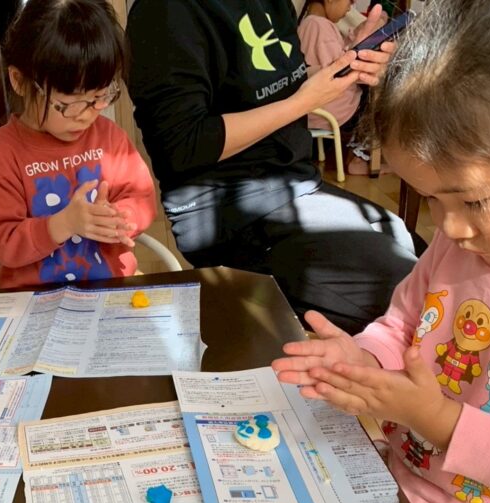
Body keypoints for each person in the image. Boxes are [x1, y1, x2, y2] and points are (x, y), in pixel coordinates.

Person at [273, 0, 490, 503]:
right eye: (432, 200)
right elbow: (403, 324)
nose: (447, 228)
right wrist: (366, 360)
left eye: (471, 200)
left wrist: (441, 421)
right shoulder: (458, 245)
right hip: (398, 483)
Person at [126, 0, 417, 334]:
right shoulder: (164, 12)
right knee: (415, 300)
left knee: (427, 265)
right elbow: (183, 145)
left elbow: (273, 91)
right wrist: (304, 102)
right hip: (230, 214)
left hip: (298, 185)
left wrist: (346, 64)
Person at [0, 0, 156, 289]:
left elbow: (141, 197)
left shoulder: (109, 138)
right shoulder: (0, 157)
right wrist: (62, 225)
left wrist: (120, 217)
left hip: (109, 292)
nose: (86, 115)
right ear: (19, 80)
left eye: (98, 97)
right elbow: (3, 241)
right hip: (33, 300)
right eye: (68, 104)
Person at [298, 0, 382, 175]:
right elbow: (340, 70)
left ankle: (360, 155)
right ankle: (360, 158)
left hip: (315, 109)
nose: (350, 6)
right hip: (329, 109)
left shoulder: (309, 24)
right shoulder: (319, 26)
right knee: (378, 97)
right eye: (349, 1)